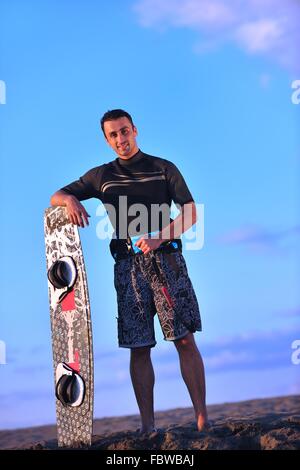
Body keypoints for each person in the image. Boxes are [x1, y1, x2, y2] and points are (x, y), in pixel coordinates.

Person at [50, 109, 208, 433]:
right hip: (127, 270)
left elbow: (191, 212)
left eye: (125, 131)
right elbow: (57, 195)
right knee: (139, 347)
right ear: (107, 140)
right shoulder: (101, 176)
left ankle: (202, 418)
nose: (121, 139)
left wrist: (161, 235)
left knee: (184, 341)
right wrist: (71, 201)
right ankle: (148, 426)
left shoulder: (163, 168)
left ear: (135, 130)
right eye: (113, 135)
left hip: (167, 263)